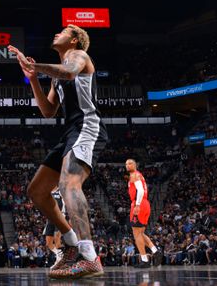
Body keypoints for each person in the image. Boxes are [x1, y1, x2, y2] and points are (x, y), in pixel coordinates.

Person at [9, 26, 108, 279]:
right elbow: (48, 111)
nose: (56, 33)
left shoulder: (78, 56)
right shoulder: (57, 74)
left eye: (63, 31)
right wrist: (33, 80)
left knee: (69, 185)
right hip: (69, 132)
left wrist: (36, 67)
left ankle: (89, 257)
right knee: (37, 191)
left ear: (74, 40)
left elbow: (69, 71)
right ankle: (72, 243)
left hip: (88, 126)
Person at [125, 158, 159, 267]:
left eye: (130, 163)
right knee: (141, 233)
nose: (127, 165)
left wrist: (137, 205)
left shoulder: (134, 174)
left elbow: (140, 190)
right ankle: (155, 251)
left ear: (135, 165)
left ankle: (145, 260)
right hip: (145, 204)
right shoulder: (139, 175)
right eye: (126, 164)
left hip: (139, 204)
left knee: (136, 233)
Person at [42, 189, 66, 268]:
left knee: (57, 238)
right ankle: (59, 255)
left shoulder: (61, 191)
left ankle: (59, 261)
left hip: (60, 216)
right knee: (48, 243)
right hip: (50, 217)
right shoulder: (47, 192)